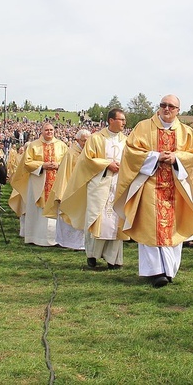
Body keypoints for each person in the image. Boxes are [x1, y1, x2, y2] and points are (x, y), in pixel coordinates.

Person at [114, 95, 193, 287]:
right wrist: (156, 156)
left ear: (178, 110)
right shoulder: (143, 127)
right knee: (149, 228)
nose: (166, 109)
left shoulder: (187, 132)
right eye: (163, 105)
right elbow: (131, 152)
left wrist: (176, 158)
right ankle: (155, 272)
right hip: (149, 186)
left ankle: (169, 270)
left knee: (173, 229)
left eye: (171, 106)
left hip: (175, 188)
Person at [61, 109, 129, 269]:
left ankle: (114, 259)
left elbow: (131, 160)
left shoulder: (126, 140)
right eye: (121, 119)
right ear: (111, 120)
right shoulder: (96, 138)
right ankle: (92, 255)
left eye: (124, 120)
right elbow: (86, 160)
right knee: (97, 219)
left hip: (118, 184)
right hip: (100, 183)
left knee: (116, 219)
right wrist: (107, 164)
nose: (124, 123)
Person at [9, 123, 68, 246]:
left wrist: (58, 165)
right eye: (46, 130)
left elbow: (67, 162)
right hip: (39, 181)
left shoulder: (61, 146)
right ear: (41, 131)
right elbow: (27, 162)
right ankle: (36, 237)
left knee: (56, 207)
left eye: (51, 129)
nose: (49, 132)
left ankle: (56, 238)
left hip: (56, 181)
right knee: (37, 210)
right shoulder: (33, 145)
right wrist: (42, 165)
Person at [44, 128, 90, 250]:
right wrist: (62, 193)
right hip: (70, 191)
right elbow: (64, 174)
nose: (86, 143)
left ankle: (82, 243)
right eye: (84, 141)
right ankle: (67, 242)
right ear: (77, 140)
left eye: (88, 141)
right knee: (68, 216)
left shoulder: (89, 153)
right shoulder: (71, 154)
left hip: (84, 190)